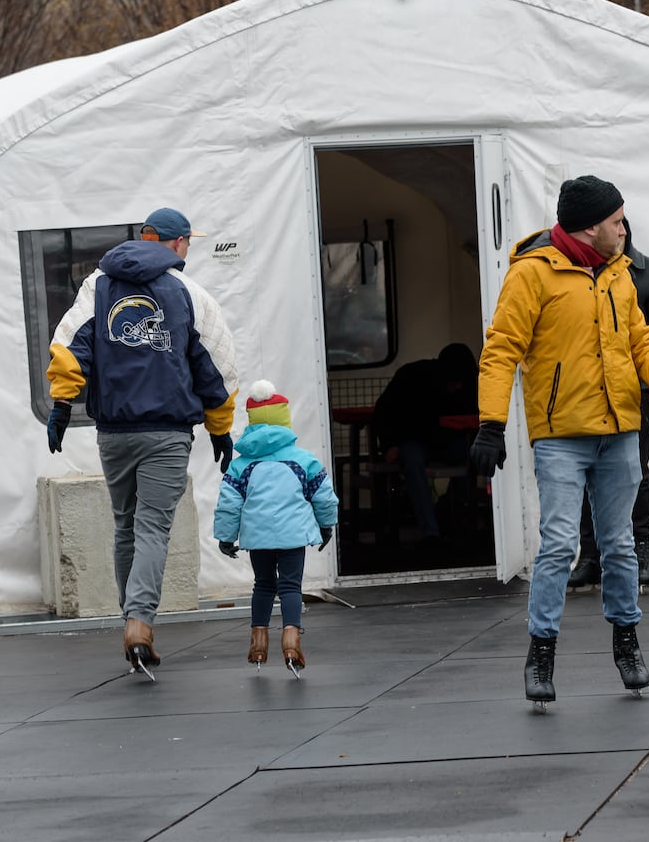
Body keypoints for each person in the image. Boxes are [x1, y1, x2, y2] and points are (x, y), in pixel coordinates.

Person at [470, 175, 649, 709]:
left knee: (619, 546)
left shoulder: (619, 273)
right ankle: (541, 651)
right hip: (562, 437)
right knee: (560, 547)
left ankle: (628, 642)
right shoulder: (533, 274)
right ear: (591, 226)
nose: (625, 229)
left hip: (620, 432)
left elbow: (641, 337)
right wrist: (491, 424)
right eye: (617, 221)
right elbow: (501, 350)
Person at [45, 206, 238, 676]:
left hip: (114, 432)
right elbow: (217, 366)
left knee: (126, 525)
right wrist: (220, 426)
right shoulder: (190, 293)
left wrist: (62, 404)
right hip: (167, 433)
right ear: (176, 244)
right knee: (153, 527)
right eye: (189, 243)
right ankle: (139, 622)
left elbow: (71, 345)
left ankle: (129, 618)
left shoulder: (97, 285)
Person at [568, 217, 649, 591]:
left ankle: (641, 548)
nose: (618, 231)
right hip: (585, 389)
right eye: (612, 224)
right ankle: (590, 555)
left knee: (637, 469)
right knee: (584, 471)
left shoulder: (647, 272)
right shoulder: (577, 271)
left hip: (634, 388)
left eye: (621, 224)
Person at [214, 381, 339, 675]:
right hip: (293, 536)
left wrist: (226, 536)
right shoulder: (302, 460)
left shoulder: (240, 466)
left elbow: (229, 503)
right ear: (285, 419)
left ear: (252, 422)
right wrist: (326, 525)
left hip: (258, 539)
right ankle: (292, 642)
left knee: (264, 585)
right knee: (290, 586)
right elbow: (323, 495)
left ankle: (258, 645)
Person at [370, 342, 480, 545]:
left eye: (462, 382)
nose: (458, 387)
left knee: (475, 455)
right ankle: (431, 533)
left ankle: (448, 514)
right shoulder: (412, 376)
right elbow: (383, 411)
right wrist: (389, 444)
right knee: (411, 459)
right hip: (415, 442)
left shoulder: (469, 385)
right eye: (455, 381)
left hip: (448, 441)